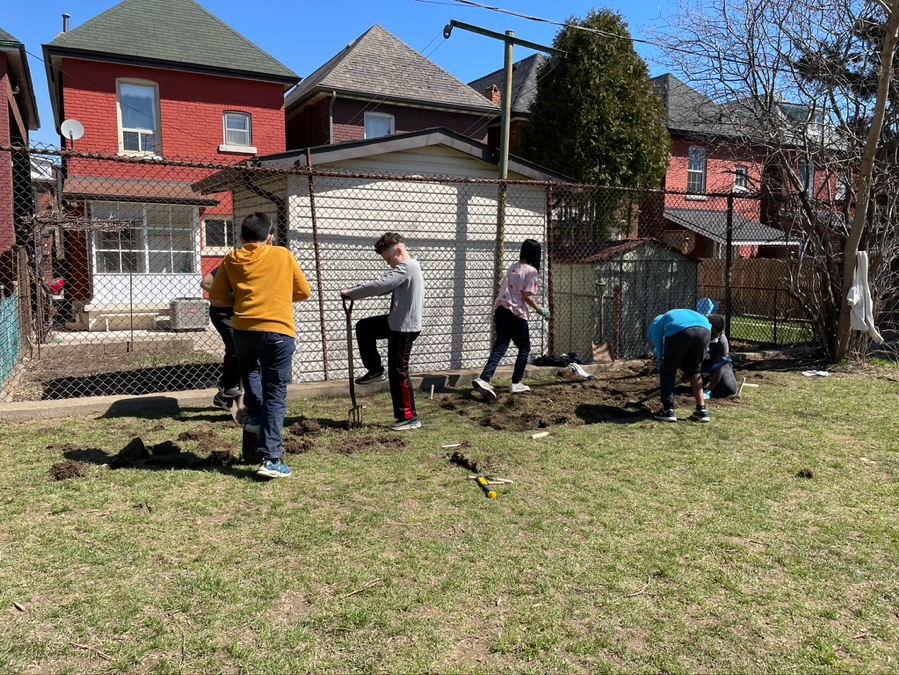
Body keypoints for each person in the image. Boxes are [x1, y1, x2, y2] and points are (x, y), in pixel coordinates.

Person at [208, 213, 311, 479]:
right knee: (275, 393)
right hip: (277, 332)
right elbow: (304, 292)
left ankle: (254, 418)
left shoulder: (232, 259)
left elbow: (217, 299)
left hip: (243, 331)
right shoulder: (282, 255)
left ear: (241, 238)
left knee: (250, 373)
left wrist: (245, 298)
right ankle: (272, 459)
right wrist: (273, 296)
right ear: (271, 238)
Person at [340, 232, 425, 431]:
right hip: (394, 323)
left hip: (404, 328)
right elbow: (384, 287)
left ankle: (410, 417)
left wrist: (352, 293)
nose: (388, 264)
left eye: (388, 259)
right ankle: (376, 370)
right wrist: (357, 290)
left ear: (399, 251)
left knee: (399, 373)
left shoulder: (408, 267)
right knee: (364, 327)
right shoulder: (406, 269)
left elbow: (380, 286)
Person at [472, 239, 549, 401]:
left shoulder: (513, 267)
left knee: (501, 344)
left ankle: (484, 379)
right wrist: (540, 309)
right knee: (524, 347)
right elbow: (526, 295)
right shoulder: (532, 272)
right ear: (536, 254)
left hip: (500, 310)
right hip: (516, 312)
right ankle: (516, 383)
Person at [647, 309, 712, 423]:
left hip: (680, 331)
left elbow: (660, 352)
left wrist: (663, 368)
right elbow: (705, 350)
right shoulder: (677, 316)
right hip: (705, 330)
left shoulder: (658, 325)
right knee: (695, 371)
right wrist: (690, 370)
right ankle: (702, 410)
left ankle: (668, 410)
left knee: (668, 371)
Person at [200, 264, 240, 412]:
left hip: (241, 313)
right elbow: (206, 283)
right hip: (222, 312)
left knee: (237, 349)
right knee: (237, 347)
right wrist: (233, 299)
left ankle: (223, 397)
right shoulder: (233, 263)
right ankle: (226, 387)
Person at [702, 315, 738, 399]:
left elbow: (719, 367)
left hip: (716, 366)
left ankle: (714, 385)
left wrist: (709, 390)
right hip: (702, 364)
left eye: (713, 333)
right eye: (708, 332)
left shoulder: (722, 343)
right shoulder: (699, 335)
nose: (710, 336)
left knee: (730, 389)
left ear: (720, 333)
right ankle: (704, 378)